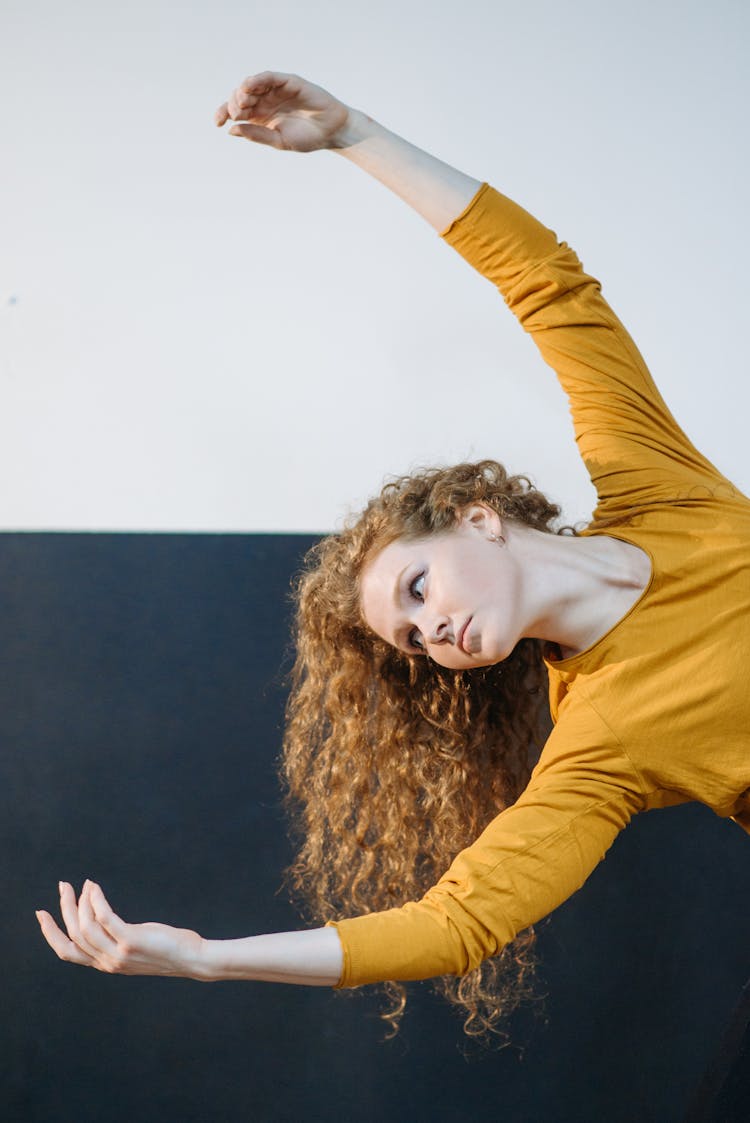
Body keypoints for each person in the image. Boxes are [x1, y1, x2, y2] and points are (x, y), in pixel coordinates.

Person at [35, 72, 750, 1039]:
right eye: (413, 638)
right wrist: (207, 958)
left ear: (475, 515)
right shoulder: (601, 748)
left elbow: (546, 282)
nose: (430, 629)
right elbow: (456, 923)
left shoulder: (657, 483)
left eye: (416, 588)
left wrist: (354, 134)